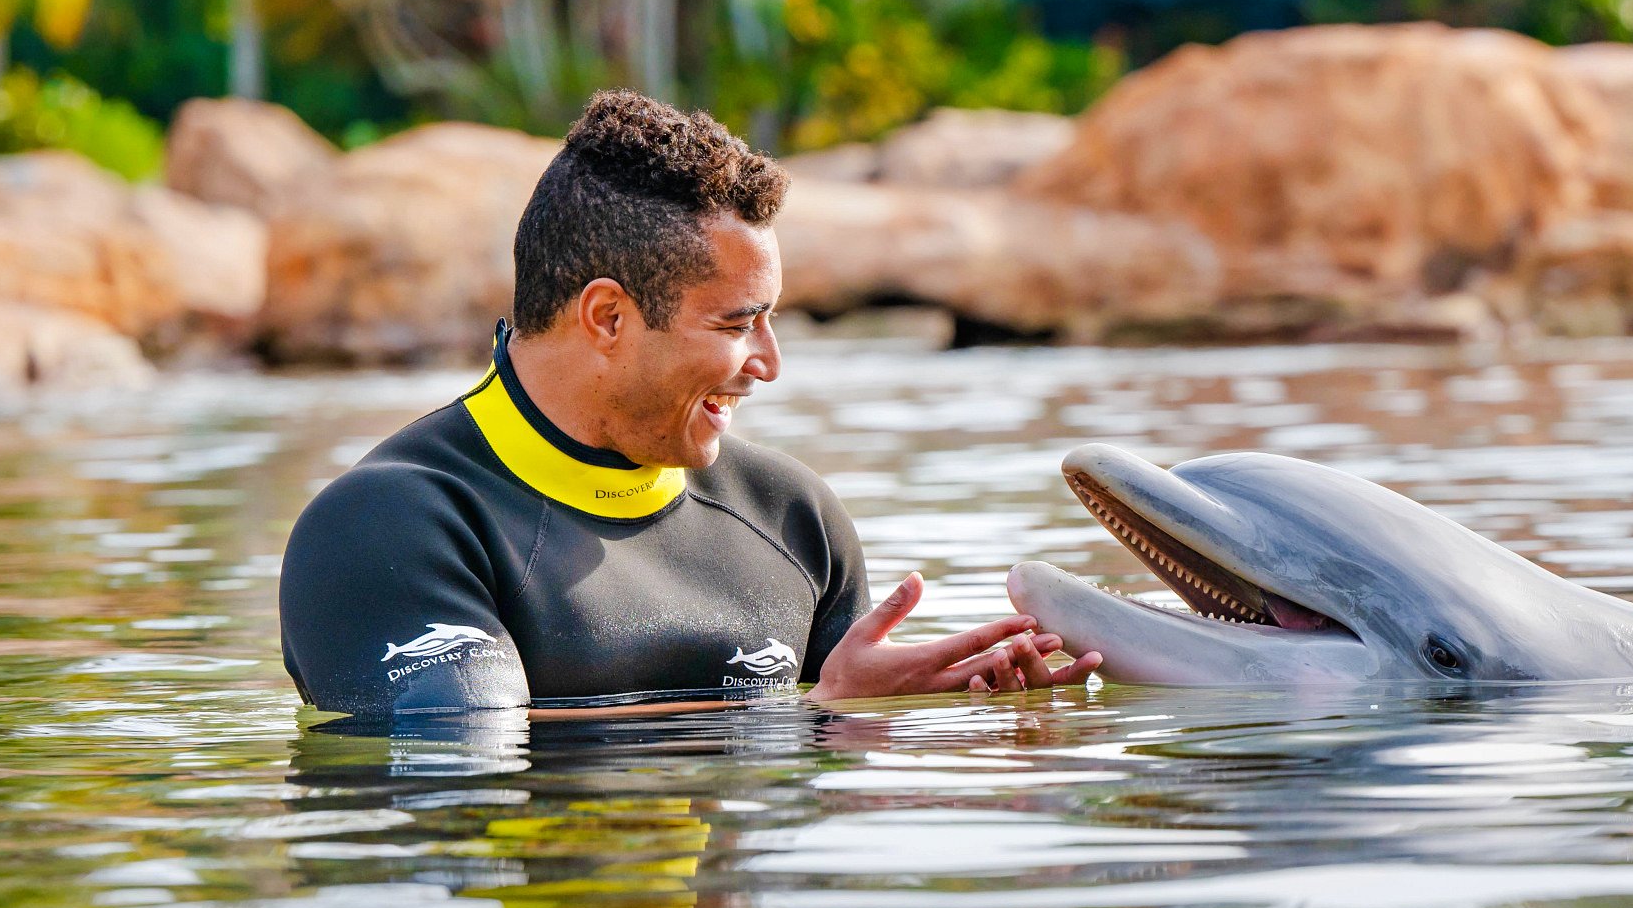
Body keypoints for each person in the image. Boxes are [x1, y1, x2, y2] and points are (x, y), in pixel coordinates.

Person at [280, 90, 1101, 720]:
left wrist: (955, 723)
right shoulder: (386, 528)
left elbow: (826, 803)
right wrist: (814, 715)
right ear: (607, 317)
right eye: (738, 323)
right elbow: (473, 772)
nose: (769, 364)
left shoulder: (792, 518)